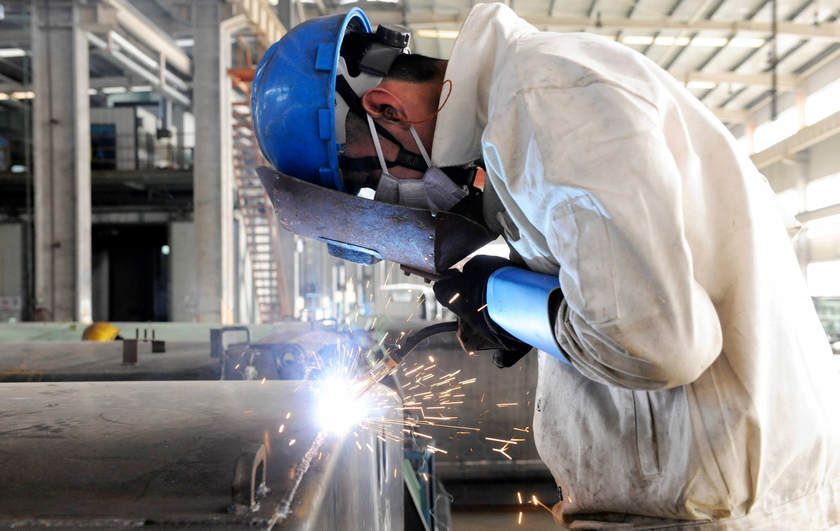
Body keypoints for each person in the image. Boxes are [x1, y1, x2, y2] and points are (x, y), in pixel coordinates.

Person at [251, 4, 840, 527]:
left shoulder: (544, 97)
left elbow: (653, 341)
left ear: (383, 108)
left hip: (717, 505)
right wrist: (517, 296)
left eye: (369, 183)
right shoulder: (526, 108)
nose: (392, 200)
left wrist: (503, 297)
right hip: (706, 494)